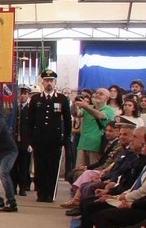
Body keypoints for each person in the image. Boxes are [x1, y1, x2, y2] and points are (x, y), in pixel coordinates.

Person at [26, 68, 72, 202]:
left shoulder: (62, 99)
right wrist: (30, 139)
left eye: (51, 81)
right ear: (42, 82)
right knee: (40, 167)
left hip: (55, 139)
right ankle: (41, 192)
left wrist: (66, 138)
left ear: (55, 82)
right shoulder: (35, 99)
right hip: (39, 139)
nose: (49, 83)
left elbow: (67, 120)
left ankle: (50, 193)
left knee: (52, 166)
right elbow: (30, 120)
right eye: (46, 81)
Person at [77, 88, 117, 167]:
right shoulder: (89, 107)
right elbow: (76, 114)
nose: (97, 95)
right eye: (96, 93)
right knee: (78, 170)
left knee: (93, 169)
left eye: (101, 94)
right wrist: (75, 104)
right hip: (83, 143)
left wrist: (85, 106)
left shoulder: (110, 110)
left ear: (107, 98)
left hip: (97, 145)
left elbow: (100, 115)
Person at [14, 86, 33, 197]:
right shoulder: (14, 109)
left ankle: (23, 187)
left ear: (28, 95)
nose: (22, 96)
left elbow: (33, 127)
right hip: (14, 142)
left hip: (26, 142)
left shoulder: (30, 109)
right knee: (13, 166)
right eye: (20, 93)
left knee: (24, 166)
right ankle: (13, 187)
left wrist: (31, 143)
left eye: (25, 94)